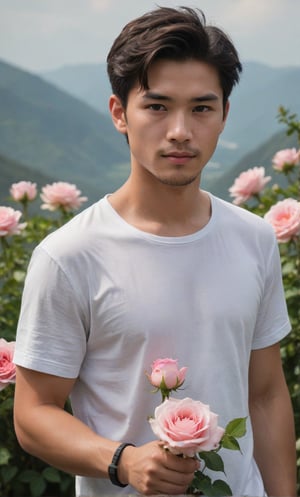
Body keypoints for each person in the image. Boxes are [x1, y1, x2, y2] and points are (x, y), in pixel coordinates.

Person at [13, 6, 297, 497]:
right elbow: (33, 415)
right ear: (120, 112)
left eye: (202, 108)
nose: (181, 131)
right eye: (158, 106)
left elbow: (266, 394)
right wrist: (122, 461)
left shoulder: (253, 238)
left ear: (224, 115)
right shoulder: (69, 255)